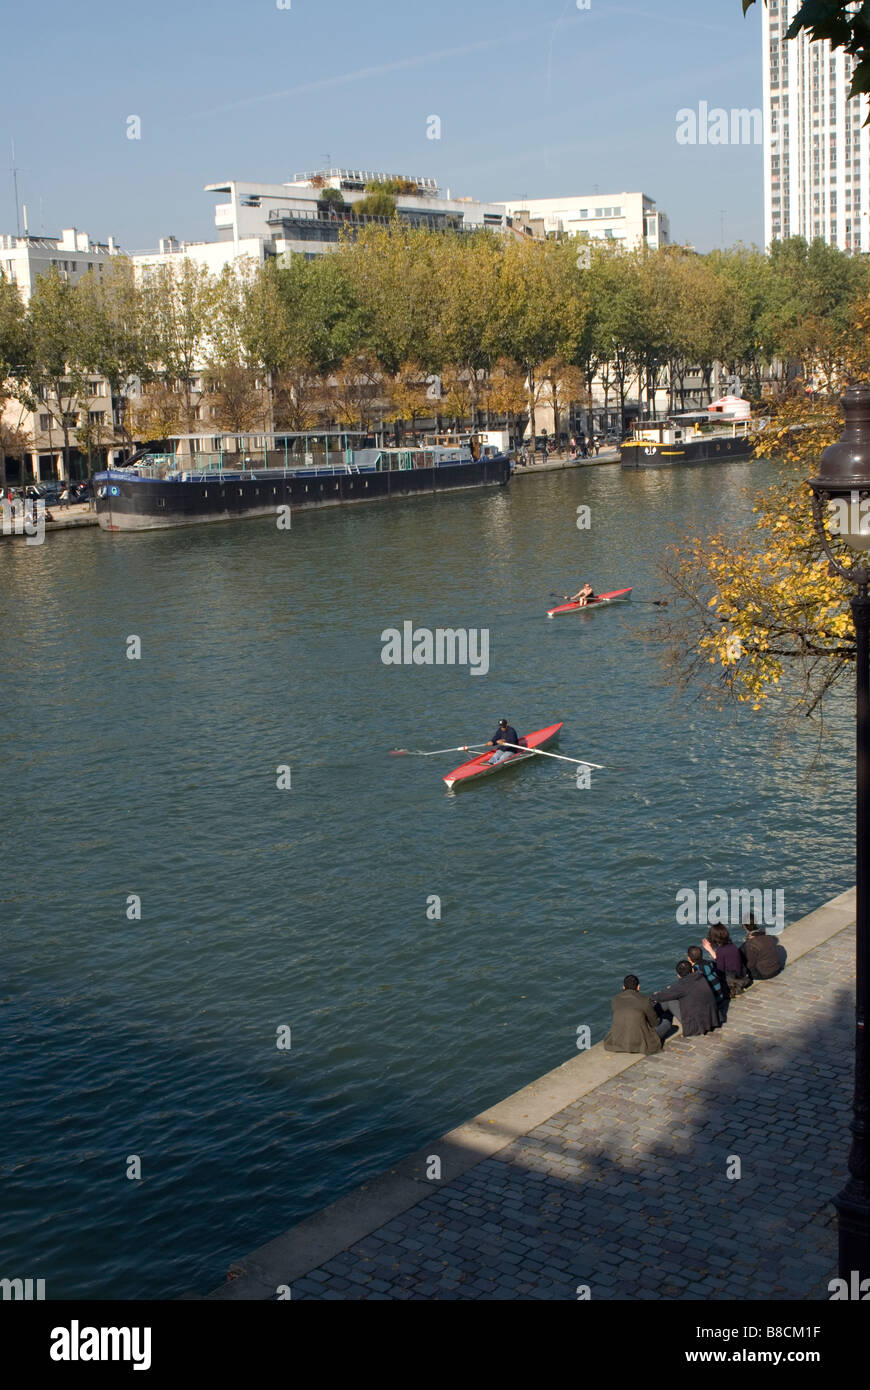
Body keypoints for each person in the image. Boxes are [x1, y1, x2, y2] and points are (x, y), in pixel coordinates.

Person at [650, 959, 721, 1037]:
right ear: (693, 970)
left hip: (696, 1026)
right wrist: (673, 989)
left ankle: (651, 1019)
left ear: (678, 975)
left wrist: (656, 995)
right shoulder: (701, 977)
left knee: (669, 1002)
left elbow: (660, 997)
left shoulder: (682, 986)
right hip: (712, 1019)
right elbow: (687, 988)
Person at [604, 974, 666, 1053]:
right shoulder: (645, 1000)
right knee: (667, 1021)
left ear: (623, 987)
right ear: (638, 987)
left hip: (617, 1041)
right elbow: (655, 1023)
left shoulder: (614, 999)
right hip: (639, 1042)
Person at [702, 925, 752, 997]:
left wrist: (710, 950)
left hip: (733, 979)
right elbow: (722, 958)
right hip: (740, 974)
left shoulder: (721, 951)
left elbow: (720, 970)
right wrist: (710, 950)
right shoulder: (732, 946)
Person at [687, 944, 727, 1022]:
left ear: (689, 958)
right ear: (702, 955)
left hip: (712, 1002)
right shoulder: (710, 963)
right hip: (721, 997)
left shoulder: (695, 971)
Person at [742, 914, 782, 980]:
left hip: (765, 974)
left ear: (744, 926)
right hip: (777, 968)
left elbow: (751, 964)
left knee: (742, 951)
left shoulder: (750, 944)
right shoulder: (767, 933)